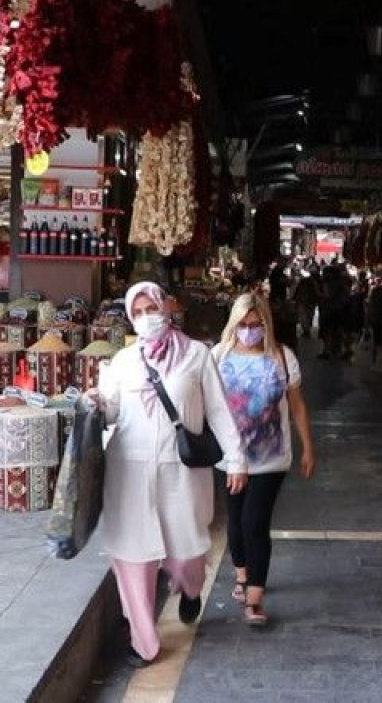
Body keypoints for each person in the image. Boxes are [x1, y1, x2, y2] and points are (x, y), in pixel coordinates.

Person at [88, 282, 246, 667]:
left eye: (151, 308)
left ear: (166, 308)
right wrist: (96, 403)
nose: (147, 317)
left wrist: (236, 459)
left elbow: (219, 411)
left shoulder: (196, 355)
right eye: (138, 312)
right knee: (132, 558)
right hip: (129, 472)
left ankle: (191, 587)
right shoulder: (124, 361)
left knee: (188, 552)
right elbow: (111, 410)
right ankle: (144, 642)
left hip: (181, 472)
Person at [212, 293, 315, 628]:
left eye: (256, 325)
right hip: (230, 458)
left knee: (255, 522)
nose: (249, 331)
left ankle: (254, 598)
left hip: (272, 458)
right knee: (236, 520)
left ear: (266, 324)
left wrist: (308, 447)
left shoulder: (283, 357)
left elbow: (297, 405)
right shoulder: (218, 356)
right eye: (243, 324)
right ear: (233, 323)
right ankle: (242, 573)